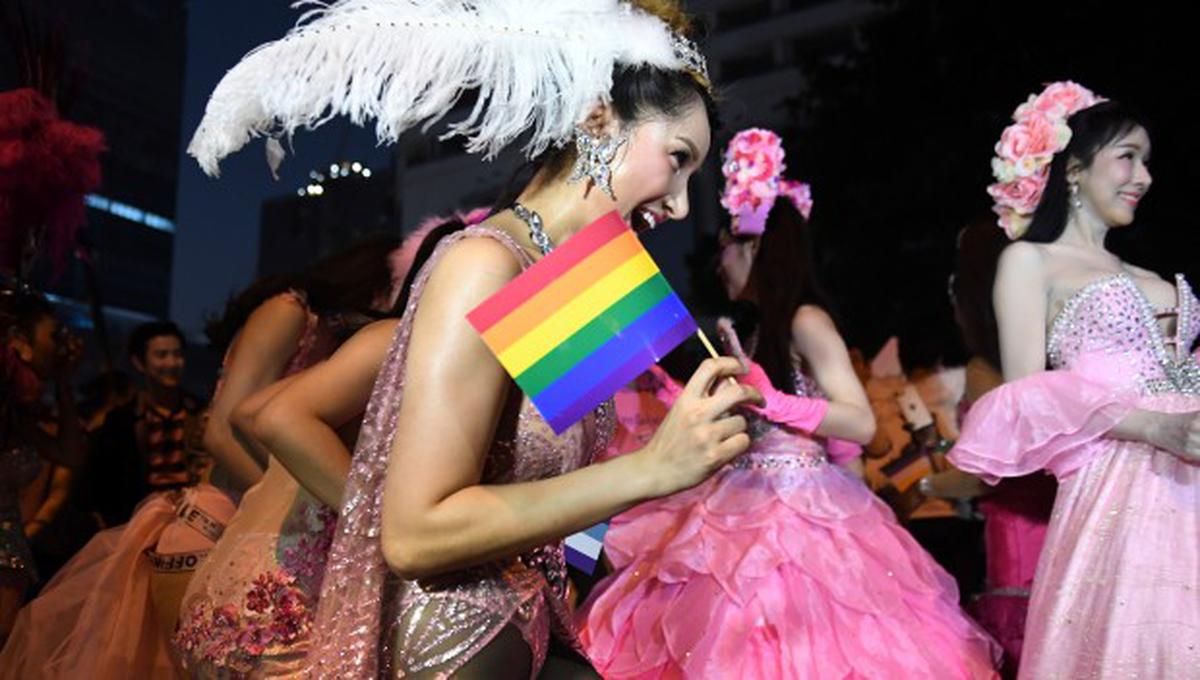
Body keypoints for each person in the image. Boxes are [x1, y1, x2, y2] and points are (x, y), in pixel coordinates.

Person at [187, 2, 762, 677]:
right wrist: (650, 469)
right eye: (677, 159)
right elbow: (413, 532)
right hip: (457, 646)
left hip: (533, 633)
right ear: (599, 119)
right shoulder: (482, 264)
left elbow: (555, 501)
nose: (682, 206)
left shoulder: (576, 286)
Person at [577, 128, 1000, 679]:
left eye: (731, 240)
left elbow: (862, 421)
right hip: (741, 501)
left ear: (759, 246)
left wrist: (771, 401)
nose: (720, 255)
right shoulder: (756, 333)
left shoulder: (806, 319)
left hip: (806, 512)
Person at [950, 81, 1199, 678]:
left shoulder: (1144, 271)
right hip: (1121, 491)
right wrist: (1150, 426)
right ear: (1073, 170)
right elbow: (1025, 400)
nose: (1143, 176)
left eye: (1146, 161)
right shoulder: (1029, 262)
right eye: (1127, 157)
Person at [174, 233, 407, 677]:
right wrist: (372, 519)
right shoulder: (295, 313)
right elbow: (227, 427)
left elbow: (257, 413)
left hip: (245, 556)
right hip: (231, 524)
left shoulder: (353, 345)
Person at [0, 285, 85, 647]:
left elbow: (68, 454)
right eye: (55, 335)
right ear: (19, 340)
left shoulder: (16, 413)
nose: (64, 344)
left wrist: (65, 383)